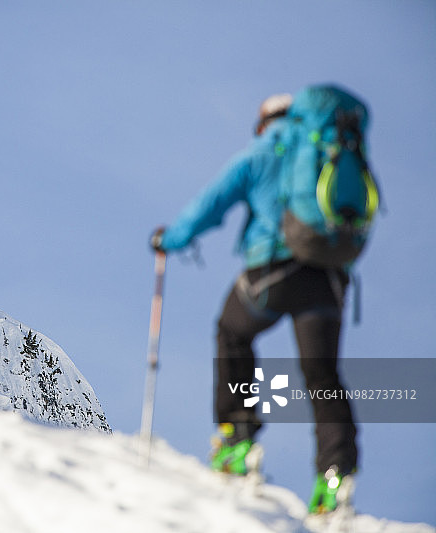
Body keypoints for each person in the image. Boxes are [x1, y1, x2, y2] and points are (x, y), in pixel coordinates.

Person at [151, 92, 357, 514]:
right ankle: (334, 475)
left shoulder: (260, 153)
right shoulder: (328, 152)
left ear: (264, 122)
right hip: (327, 279)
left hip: (273, 271)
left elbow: (210, 204)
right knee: (322, 373)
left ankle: (238, 439)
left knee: (232, 332)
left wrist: (170, 239)